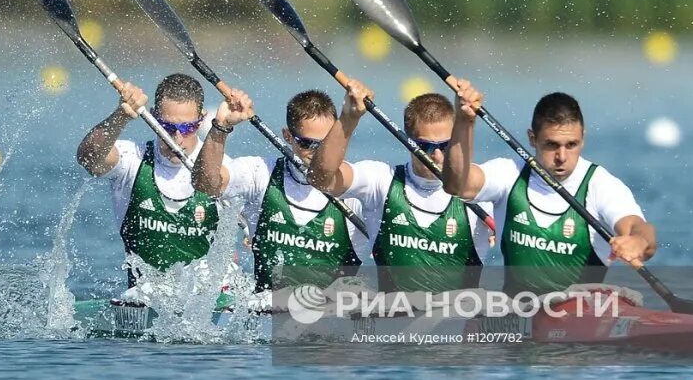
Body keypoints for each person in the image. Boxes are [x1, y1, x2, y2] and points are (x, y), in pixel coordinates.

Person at [440, 84, 657, 296]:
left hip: (580, 319)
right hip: (516, 316)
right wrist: (464, 122)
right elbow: (456, 184)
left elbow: (639, 228)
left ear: (583, 138)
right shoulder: (510, 174)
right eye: (552, 145)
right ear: (532, 139)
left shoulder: (601, 185)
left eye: (571, 144)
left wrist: (638, 242)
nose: (562, 157)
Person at [308, 78, 490, 293]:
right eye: (427, 147)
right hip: (393, 323)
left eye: (445, 145)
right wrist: (349, 117)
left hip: (457, 324)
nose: (438, 156)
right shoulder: (381, 182)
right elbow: (320, 179)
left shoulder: (482, 191)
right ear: (409, 142)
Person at [193, 89, 362, 293]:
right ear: (287, 136)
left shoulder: (355, 190)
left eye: (325, 143)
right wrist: (221, 126)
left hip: (331, 320)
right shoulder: (261, 174)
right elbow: (205, 185)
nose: (318, 152)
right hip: (268, 315)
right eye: (307, 143)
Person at [76, 73, 229, 283]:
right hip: (144, 298)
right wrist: (121, 115)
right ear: (153, 116)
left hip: (209, 301)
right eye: (166, 126)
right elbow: (88, 159)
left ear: (202, 119)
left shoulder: (223, 168)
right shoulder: (133, 160)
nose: (176, 138)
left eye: (187, 128)